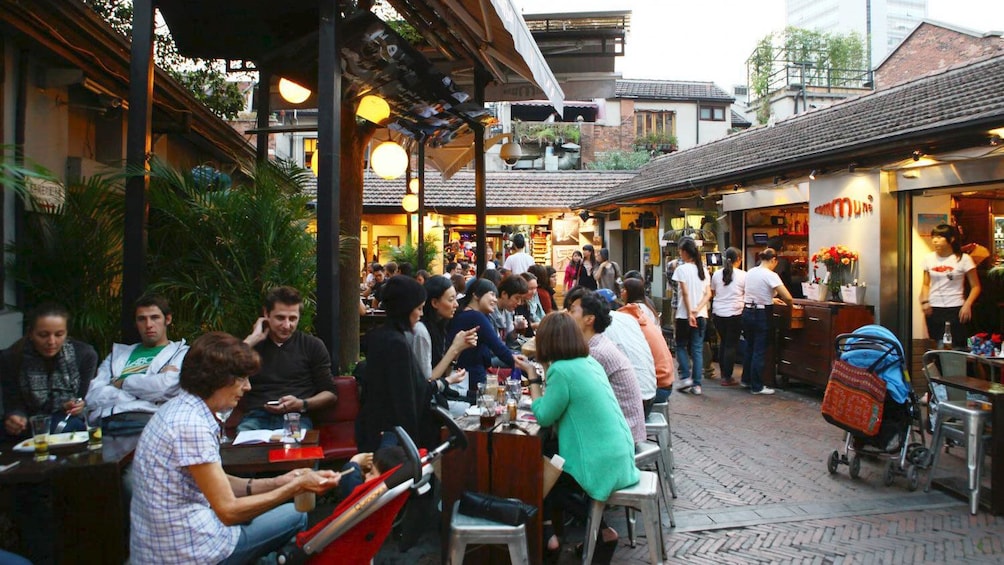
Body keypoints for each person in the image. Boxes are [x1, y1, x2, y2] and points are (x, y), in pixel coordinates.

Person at [130, 332, 338, 564]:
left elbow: (217, 481)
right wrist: (294, 488)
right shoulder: (191, 425)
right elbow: (228, 511)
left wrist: (280, 482)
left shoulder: (179, 409)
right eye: (242, 379)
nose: (248, 387)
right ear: (216, 379)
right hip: (189, 552)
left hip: (163, 544)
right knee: (295, 515)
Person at [512, 313, 638, 558]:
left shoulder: (562, 370)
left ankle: (554, 539)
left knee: (540, 478)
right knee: (549, 464)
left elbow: (544, 416)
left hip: (599, 462)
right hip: (619, 453)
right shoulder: (588, 362)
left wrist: (533, 377)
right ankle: (583, 533)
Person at [85, 294, 189, 435]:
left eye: (155, 317)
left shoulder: (182, 353)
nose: (148, 325)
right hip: (105, 423)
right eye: (142, 319)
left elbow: (165, 387)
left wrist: (121, 383)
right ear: (136, 323)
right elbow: (92, 397)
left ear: (168, 319)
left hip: (149, 423)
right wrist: (148, 385)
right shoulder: (117, 355)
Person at [239, 286, 337, 432]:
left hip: (296, 416)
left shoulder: (312, 345)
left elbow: (330, 394)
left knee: (295, 450)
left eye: (293, 319)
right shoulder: (251, 346)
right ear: (266, 313)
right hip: (256, 416)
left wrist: (302, 404)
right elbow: (222, 373)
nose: (286, 325)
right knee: (246, 450)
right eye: (280, 318)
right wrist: (251, 340)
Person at [2, 303, 97, 437]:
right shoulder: (12, 357)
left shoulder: (85, 355)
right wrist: (15, 416)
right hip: (29, 421)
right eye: (43, 335)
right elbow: (12, 401)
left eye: (59, 334)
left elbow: (83, 397)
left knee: (67, 428)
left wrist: (77, 405)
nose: (51, 341)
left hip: (65, 419)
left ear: (67, 334)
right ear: (30, 334)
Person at [565, 290, 646, 444]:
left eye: (573, 310)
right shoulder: (597, 344)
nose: (567, 314)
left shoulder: (596, 354)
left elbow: (572, 397)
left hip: (619, 435)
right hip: (621, 427)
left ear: (589, 319)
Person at [412, 276, 479, 416]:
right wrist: (454, 348)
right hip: (425, 406)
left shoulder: (439, 326)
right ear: (435, 302)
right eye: (451, 300)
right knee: (479, 411)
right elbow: (428, 382)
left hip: (439, 394)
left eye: (456, 299)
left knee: (480, 400)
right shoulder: (421, 331)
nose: (456, 304)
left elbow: (444, 374)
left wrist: (458, 350)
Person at [448, 279, 516, 399]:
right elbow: (499, 349)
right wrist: (525, 367)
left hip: (461, 376)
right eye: (492, 294)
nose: (495, 299)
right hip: (472, 379)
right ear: (476, 295)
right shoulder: (475, 316)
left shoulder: (463, 313)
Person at [919, 223, 981, 348]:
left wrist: (967, 304)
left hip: (956, 307)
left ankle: (957, 367)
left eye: (939, 237)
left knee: (958, 345)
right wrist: (925, 301)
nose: (935, 241)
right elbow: (925, 284)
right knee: (937, 344)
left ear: (951, 239)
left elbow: (976, 286)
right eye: (933, 237)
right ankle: (938, 367)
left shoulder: (964, 259)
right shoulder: (928, 258)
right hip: (934, 308)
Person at [742, 248, 793, 395]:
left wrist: (770, 298)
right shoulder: (771, 275)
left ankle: (746, 380)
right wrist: (792, 306)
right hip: (761, 314)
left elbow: (755, 291)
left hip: (747, 311)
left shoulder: (751, 272)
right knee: (759, 349)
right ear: (773, 260)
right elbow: (788, 297)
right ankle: (757, 386)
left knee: (750, 347)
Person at [611, 283, 671, 410]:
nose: (621, 292)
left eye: (623, 289)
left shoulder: (626, 317)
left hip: (657, 387)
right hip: (665, 382)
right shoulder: (641, 309)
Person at [673, 237, 712, 395]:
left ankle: (685, 377)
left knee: (681, 346)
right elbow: (708, 293)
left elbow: (685, 292)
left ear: (684, 252)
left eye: (680, 251)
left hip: (684, 315)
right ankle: (697, 385)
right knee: (696, 349)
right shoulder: (702, 269)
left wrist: (690, 312)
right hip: (702, 315)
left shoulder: (681, 269)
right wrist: (697, 309)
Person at [710, 247, 746, 386]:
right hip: (735, 312)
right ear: (739, 259)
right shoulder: (743, 275)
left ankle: (724, 374)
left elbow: (713, 293)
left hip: (718, 313)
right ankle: (727, 377)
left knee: (724, 343)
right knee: (731, 345)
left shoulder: (716, 274)